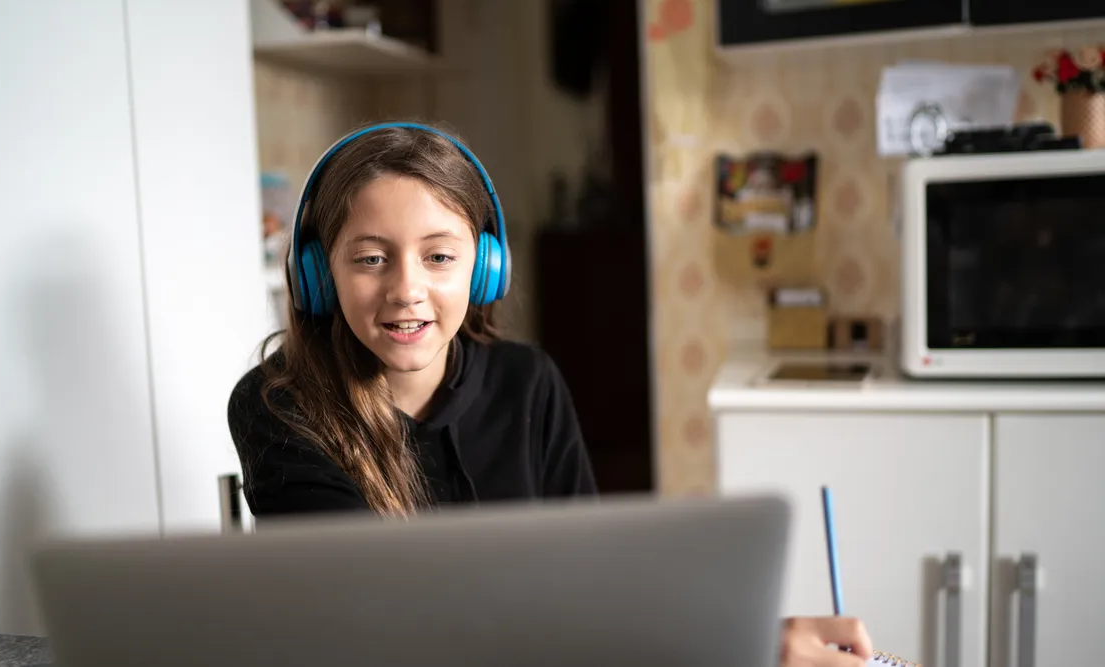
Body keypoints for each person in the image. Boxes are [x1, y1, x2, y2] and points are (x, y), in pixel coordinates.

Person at [226, 121, 875, 667]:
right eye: (371, 258)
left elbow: (587, 591)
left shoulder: (527, 382)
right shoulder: (279, 407)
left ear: (485, 267)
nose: (406, 288)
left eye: (439, 256)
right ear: (317, 274)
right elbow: (376, 624)